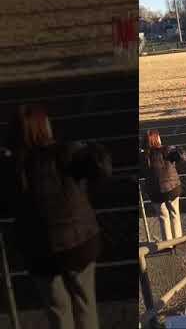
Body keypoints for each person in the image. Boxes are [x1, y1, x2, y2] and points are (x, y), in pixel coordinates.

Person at [6, 104, 111, 329]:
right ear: (45, 127)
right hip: (79, 242)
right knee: (85, 304)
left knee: (58, 312)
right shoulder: (64, 152)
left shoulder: (14, 167)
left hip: (40, 251)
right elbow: (100, 170)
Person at [143, 130, 186, 242]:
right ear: (157, 139)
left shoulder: (144, 156)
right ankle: (178, 240)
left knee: (163, 217)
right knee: (175, 213)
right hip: (172, 188)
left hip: (155, 192)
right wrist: (178, 148)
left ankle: (168, 244)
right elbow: (182, 157)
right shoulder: (166, 149)